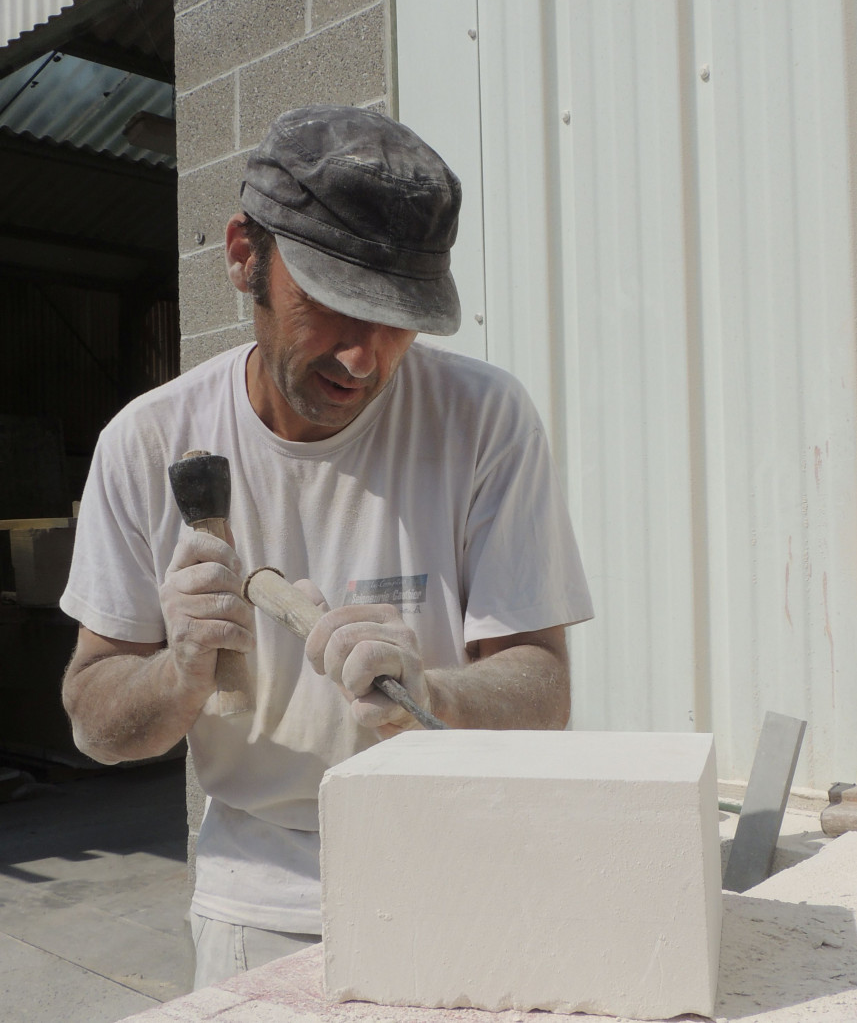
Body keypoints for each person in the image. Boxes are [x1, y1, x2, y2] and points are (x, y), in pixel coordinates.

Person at [60, 105, 593, 989]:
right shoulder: (149, 441)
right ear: (244, 256)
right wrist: (179, 669)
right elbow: (97, 723)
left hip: (462, 860)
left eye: (398, 319)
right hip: (260, 894)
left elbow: (541, 683)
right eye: (333, 304)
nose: (364, 357)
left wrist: (431, 695)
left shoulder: (481, 418)